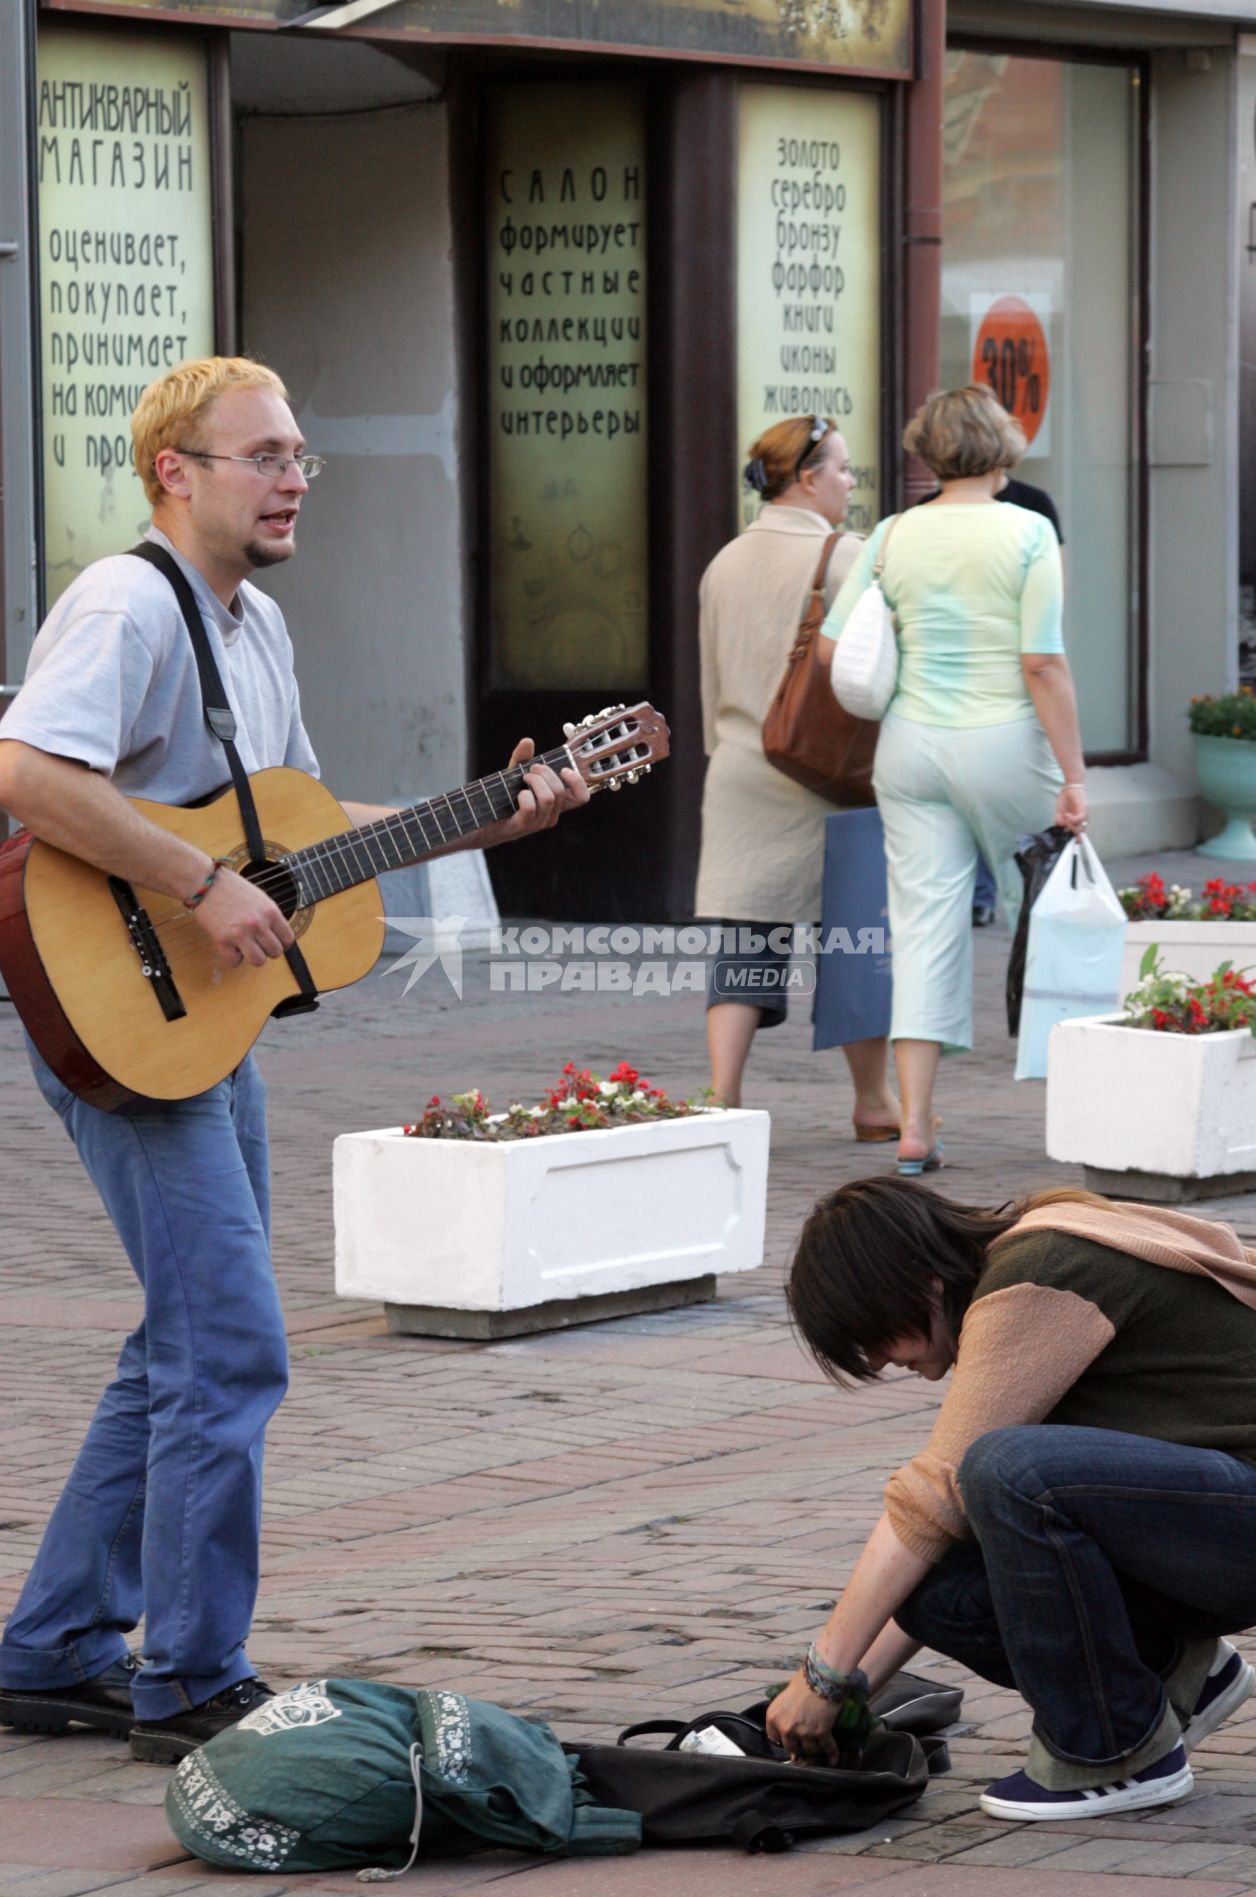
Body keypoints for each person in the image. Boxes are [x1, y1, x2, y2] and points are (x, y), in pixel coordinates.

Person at [0, 357, 588, 1765]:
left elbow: (302, 831)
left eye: (301, 458)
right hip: (120, 1015)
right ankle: (189, 1680)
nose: (290, 481)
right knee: (233, 1346)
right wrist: (199, 890)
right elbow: (27, 774)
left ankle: (52, 1645)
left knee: (184, 1342)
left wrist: (488, 817)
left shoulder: (252, 626)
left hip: (209, 1020)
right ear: (174, 472)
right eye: (261, 455)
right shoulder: (128, 602)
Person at [766, 1176, 1256, 1821]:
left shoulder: (1042, 1271)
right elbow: (936, 1528)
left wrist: (822, 1679)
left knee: (1008, 1468)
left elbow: (936, 1489)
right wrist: (843, 1691)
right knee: (939, 1577)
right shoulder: (1038, 1243)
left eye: (874, 1336)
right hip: (1214, 1517)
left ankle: (1114, 1753)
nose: (883, 1361)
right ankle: (1174, 1672)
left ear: (921, 1282)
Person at [819, 386, 1086, 1174]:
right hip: (1005, 740)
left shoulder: (894, 533)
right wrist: (1075, 774)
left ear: (928, 452)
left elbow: (837, 650)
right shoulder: (1029, 531)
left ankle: (915, 1128)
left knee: (923, 928)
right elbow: (1041, 661)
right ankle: (1085, 1106)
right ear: (999, 447)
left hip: (909, 745)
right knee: (1053, 917)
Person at [695, 414, 899, 1137]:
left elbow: (710, 686)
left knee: (744, 944)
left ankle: (723, 1095)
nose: (851, 481)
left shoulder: (723, 562)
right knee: (855, 941)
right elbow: (879, 674)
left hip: (743, 774)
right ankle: (875, 1102)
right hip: (829, 778)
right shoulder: (849, 558)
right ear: (807, 479)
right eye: (843, 468)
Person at [920, 466, 1065, 930]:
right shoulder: (922, 514)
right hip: (958, 682)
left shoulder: (1034, 505)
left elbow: (1056, 596)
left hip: (1008, 678)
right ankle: (989, 899)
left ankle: (999, 900)